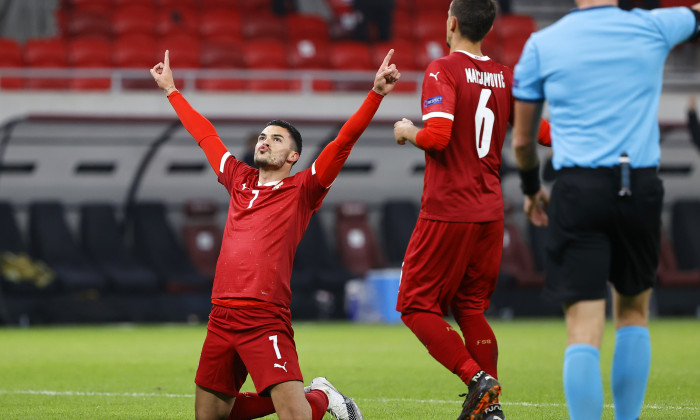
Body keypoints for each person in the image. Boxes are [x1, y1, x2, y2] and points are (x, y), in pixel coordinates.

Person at [150, 49, 400, 420]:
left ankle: (320, 399)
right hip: (221, 315)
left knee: (295, 417)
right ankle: (316, 394)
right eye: (263, 136)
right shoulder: (239, 179)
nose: (265, 141)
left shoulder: (304, 189)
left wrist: (376, 93)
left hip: (264, 317)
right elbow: (205, 136)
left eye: (277, 139)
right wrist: (171, 90)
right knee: (211, 417)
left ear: (293, 156)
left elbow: (344, 141)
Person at [511, 2, 700, 419]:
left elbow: (523, 141)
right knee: (633, 313)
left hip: (578, 189)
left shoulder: (542, 44)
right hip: (640, 185)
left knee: (583, 328)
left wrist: (530, 190)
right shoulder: (654, 26)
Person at [392, 1, 551, 419]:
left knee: (414, 305)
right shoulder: (504, 76)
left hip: (448, 209)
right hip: (490, 211)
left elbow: (439, 137)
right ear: (490, 27)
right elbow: (541, 133)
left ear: (452, 22)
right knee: (470, 307)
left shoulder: (442, 69)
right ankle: (490, 410)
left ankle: (476, 379)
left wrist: (409, 131)